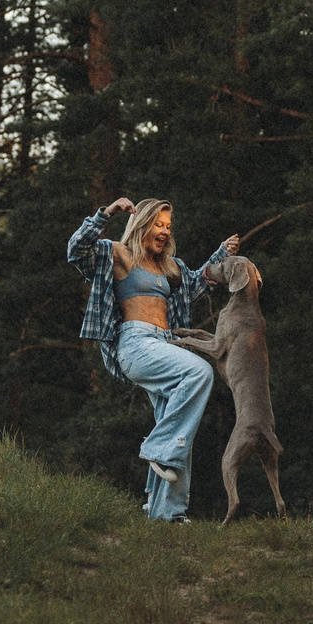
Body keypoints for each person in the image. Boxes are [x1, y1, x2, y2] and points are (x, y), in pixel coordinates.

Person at [66, 196, 239, 521]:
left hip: (165, 345)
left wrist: (222, 253)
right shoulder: (118, 253)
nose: (163, 231)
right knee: (200, 373)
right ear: (143, 222)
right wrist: (106, 214)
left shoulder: (170, 266)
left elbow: (199, 283)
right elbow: (76, 250)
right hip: (135, 344)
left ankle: (165, 514)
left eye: (168, 226)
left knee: (176, 428)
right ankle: (158, 450)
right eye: (158, 224)